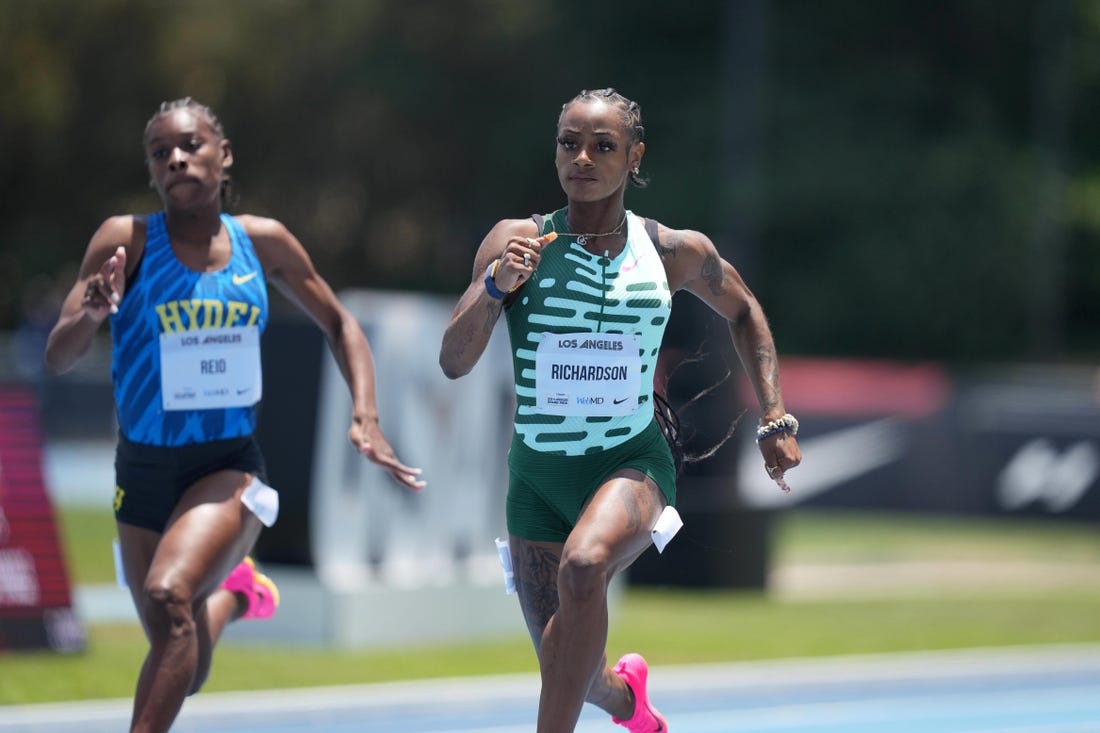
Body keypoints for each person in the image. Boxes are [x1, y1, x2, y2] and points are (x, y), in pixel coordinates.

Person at [44, 97, 425, 733]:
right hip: (140, 471)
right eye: (161, 152)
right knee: (182, 659)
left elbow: (339, 321)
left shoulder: (262, 242)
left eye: (191, 144)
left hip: (227, 467)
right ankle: (234, 596)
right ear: (151, 171)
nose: (176, 159)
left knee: (169, 599)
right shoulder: (126, 241)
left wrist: (366, 413)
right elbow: (59, 354)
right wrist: (88, 312)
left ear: (223, 156)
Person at [439, 88, 802, 733]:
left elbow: (745, 309)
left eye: (603, 146)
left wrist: (774, 415)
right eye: (568, 143)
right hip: (536, 480)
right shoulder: (519, 240)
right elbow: (454, 359)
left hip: (629, 463)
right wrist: (495, 287)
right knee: (573, 673)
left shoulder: (669, 251)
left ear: (635, 156)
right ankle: (629, 702)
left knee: (585, 567)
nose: (582, 157)